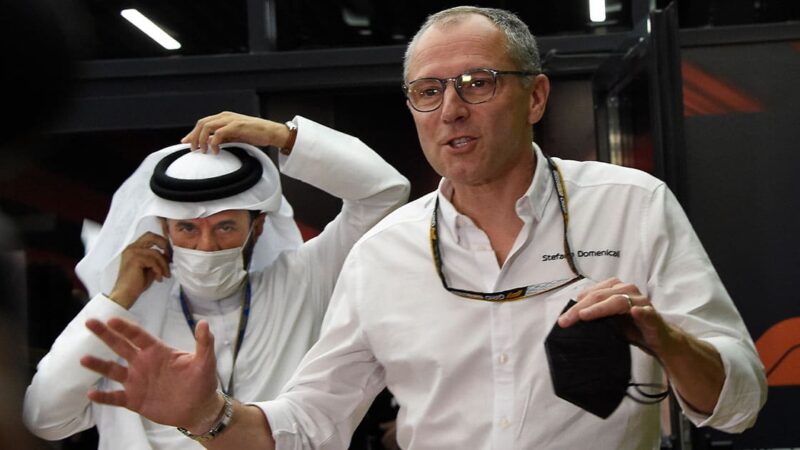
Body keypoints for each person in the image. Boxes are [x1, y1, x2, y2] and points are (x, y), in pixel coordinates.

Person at [77, 6, 767, 449]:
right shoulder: (385, 254)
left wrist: (666, 340)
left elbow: (737, 403)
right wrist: (207, 416)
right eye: (428, 92)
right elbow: (310, 423)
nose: (450, 111)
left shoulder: (631, 205)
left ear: (536, 96)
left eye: (477, 83)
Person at [22, 111, 410, 448]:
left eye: (225, 226)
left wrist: (282, 136)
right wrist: (117, 299)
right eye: (187, 228)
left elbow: (383, 193)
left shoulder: (302, 280)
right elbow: (45, 418)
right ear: (163, 230)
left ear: (256, 228)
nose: (206, 245)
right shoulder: (128, 319)